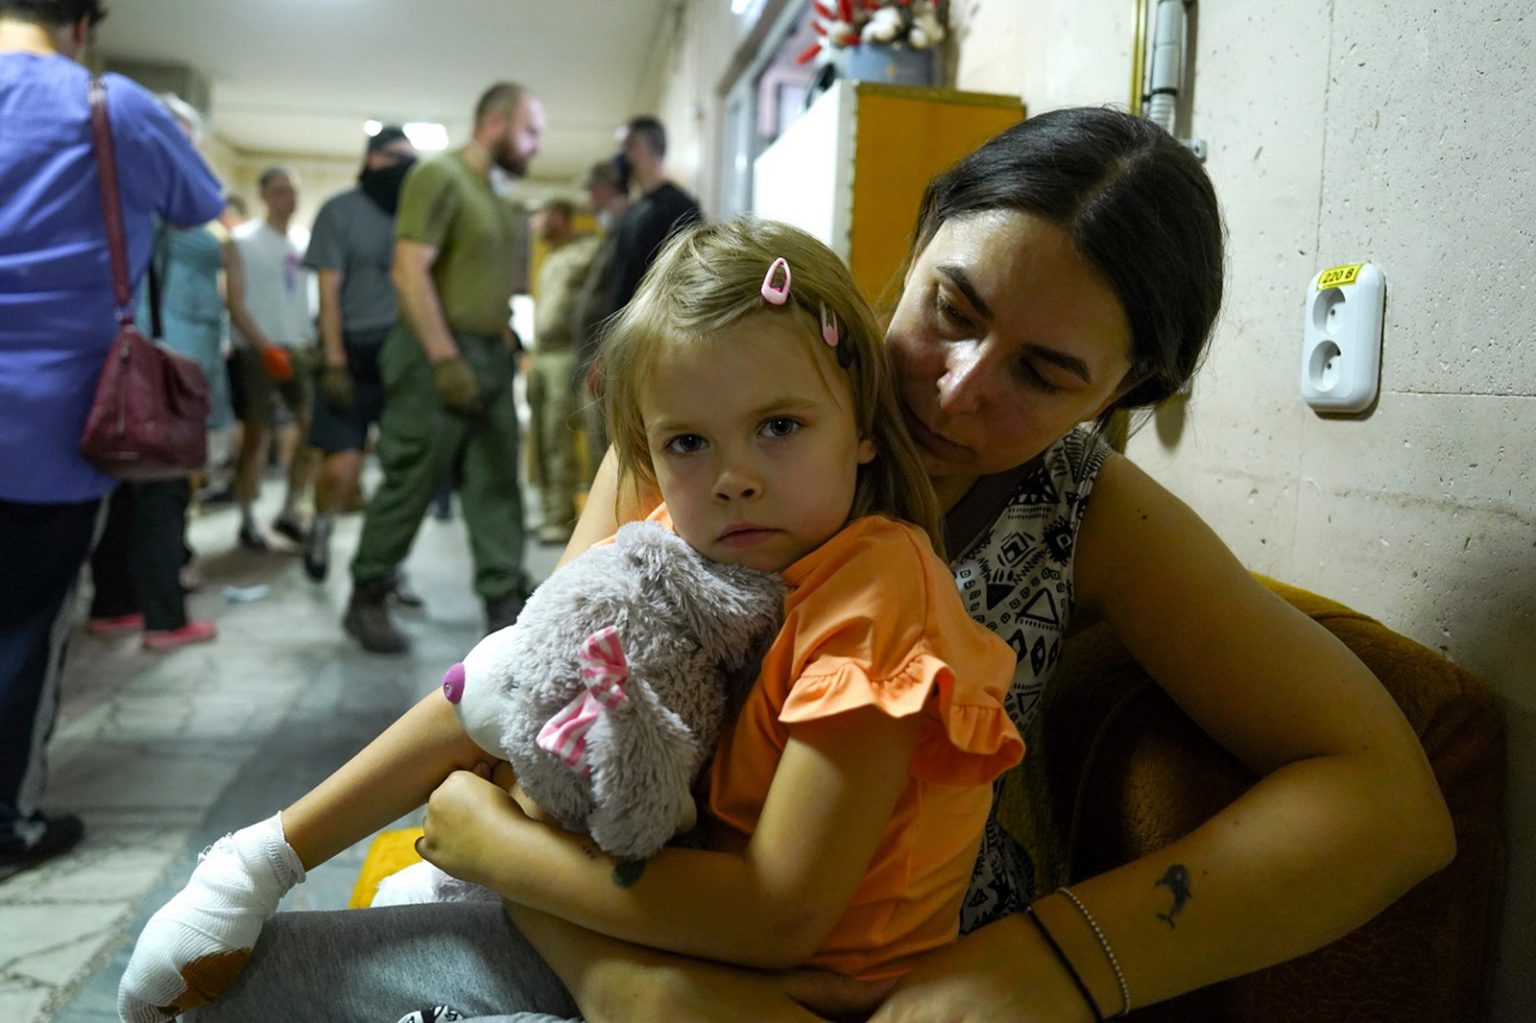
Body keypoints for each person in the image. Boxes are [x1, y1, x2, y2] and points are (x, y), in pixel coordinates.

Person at [141, 108, 1456, 1022]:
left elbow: (1391, 796)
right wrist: (272, 855)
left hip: (873, 962)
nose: (952, 387)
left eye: (1047, 373)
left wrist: (1058, 959)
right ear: (919, 239)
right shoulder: (728, 412)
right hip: (611, 903)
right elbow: (539, 702)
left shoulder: (1087, 507)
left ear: (1128, 392)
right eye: (953, 305)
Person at [117, 217, 1024, 1022]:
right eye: (688, 442)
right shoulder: (687, 539)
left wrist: (496, 847)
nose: (733, 475)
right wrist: (262, 861)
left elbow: (777, 915)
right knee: (219, 989)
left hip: (753, 986)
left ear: (861, 424)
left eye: (780, 426)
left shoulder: (878, 594)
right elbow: (506, 678)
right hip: (634, 928)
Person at [0, 0, 222, 878]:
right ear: (84, 22)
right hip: (54, 427)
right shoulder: (114, 109)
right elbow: (197, 202)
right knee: (24, 625)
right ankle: (7, 820)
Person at [342, 81, 546, 654]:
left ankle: (503, 602)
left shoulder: (497, 197)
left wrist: (502, 339)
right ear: (494, 122)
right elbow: (409, 271)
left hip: (487, 351)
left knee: (496, 481)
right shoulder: (439, 176)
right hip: (436, 351)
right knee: (412, 476)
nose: (535, 146)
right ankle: (368, 593)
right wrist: (444, 357)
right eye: (529, 131)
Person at [86, 93, 225, 652]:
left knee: (124, 488)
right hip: (158, 362)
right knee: (161, 492)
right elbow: (205, 200)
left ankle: (114, 604)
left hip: (127, 356)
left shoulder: (120, 191)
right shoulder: (167, 194)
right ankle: (165, 619)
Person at [300, 126, 418, 581]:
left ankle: (390, 564)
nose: (406, 171)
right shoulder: (339, 212)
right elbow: (329, 293)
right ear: (373, 160)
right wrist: (333, 360)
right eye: (398, 159)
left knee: (402, 470)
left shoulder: (412, 215)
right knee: (343, 462)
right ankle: (321, 528)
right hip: (348, 350)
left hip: (402, 354)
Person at [228, 165, 316, 551]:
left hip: (300, 348)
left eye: (293, 191)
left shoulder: (304, 241)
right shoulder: (242, 240)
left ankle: (291, 509)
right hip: (256, 350)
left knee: (312, 430)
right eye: (280, 191)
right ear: (263, 196)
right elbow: (234, 302)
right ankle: (247, 517)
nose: (289, 198)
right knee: (256, 437)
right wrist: (265, 346)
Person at [525, 199, 600, 543]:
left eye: (538, 215)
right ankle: (550, 511)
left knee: (559, 437)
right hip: (541, 355)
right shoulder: (552, 257)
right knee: (540, 437)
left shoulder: (588, 251)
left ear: (557, 215)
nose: (533, 224)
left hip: (566, 354)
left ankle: (563, 518)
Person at [604, 116, 701, 319]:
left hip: (654, 329)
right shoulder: (634, 211)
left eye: (626, 147)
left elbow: (688, 277)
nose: (622, 157)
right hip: (625, 326)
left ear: (636, 148)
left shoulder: (679, 207)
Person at [571, 159, 631, 483]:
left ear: (607, 189)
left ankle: (613, 527)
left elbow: (619, 302)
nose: (591, 202)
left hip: (608, 359)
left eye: (594, 192)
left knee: (610, 454)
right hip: (596, 356)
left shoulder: (627, 229)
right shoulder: (610, 234)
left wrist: (605, 355)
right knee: (598, 449)